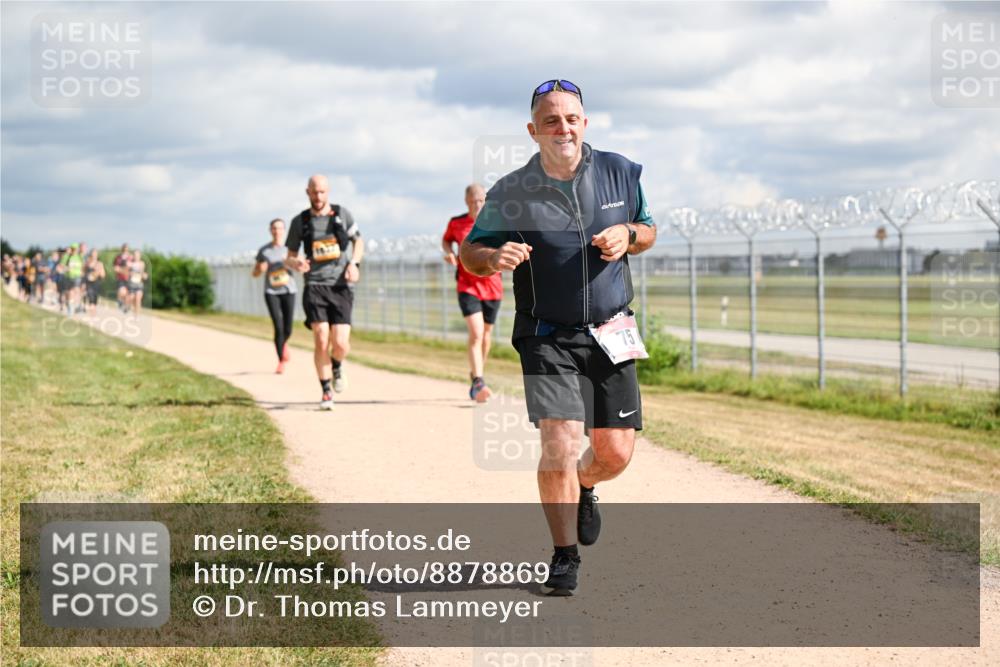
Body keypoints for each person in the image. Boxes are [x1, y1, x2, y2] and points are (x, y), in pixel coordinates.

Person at [460, 79, 657, 596]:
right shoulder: (511, 191)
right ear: (533, 130)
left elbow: (649, 228)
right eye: (551, 120)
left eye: (571, 118)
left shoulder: (620, 171)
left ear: (584, 123)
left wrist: (630, 236)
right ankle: (564, 554)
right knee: (559, 443)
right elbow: (471, 253)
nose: (562, 127)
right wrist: (492, 257)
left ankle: (586, 485)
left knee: (614, 453)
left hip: (612, 330)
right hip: (545, 333)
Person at [284, 174, 364, 410]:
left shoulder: (341, 215)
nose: (318, 197)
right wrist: (296, 263)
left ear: (328, 192)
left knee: (340, 343)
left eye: (322, 192)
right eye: (314, 192)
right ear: (307, 192)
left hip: (340, 285)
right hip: (315, 286)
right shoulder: (300, 221)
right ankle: (326, 390)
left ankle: (337, 363)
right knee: (321, 338)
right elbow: (288, 256)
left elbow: (358, 241)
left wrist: (354, 264)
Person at [442, 183, 503, 402]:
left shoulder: (497, 223)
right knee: (476, 333)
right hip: (467, 286)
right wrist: (449, 253)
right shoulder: (457, 223)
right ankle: (478, 381)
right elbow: (446, 240)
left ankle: (477, 373)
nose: (477, 204)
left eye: (480, 200)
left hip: (493, 287)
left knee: (486, 336)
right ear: (466, 201)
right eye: (473, 200)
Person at [253, 218, 298, 374]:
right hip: (271, 292)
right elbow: (255, 273)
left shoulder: (290, 249)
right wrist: (261, 268)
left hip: (289, 290)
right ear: (270, 230)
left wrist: (292, 264)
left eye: (279, 228)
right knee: (278, 326)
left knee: (288, 328)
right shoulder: (264, 251)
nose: (277, 231)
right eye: (274, 228)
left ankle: (284, 343)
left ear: (284, 230)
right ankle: (281, 360)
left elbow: (300, 267)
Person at [83, 249, 106, 315]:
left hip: (96, 282)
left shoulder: (99, 263)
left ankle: (93, 312)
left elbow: (103, 275)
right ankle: (90, 311)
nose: (94, 255)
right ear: (91, 254)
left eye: (95, 254)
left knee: (95, 296)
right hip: (88, 282)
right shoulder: (87, 262)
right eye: (93, 254)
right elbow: (83, 271)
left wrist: (98, 273)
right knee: (90, 295)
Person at [127, 249, 147, 315]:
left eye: (138, 255)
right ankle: (133, 311)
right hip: (131, 284)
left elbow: (142, 272)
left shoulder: (142, 263)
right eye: (135, 255)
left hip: (139, 284)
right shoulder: (129, 263)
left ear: (140, 256)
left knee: (138, 299)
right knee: (132, 298)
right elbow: (127, 272)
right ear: (133, 256)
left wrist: (143, 275)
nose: (136, 256)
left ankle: (137, 315)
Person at [113, 244, 132, 312]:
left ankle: (126, 305)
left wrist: (122, 270)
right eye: (124, 250)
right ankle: (120, 302)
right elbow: (115, 268)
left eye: (126, 250)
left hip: (129, 279)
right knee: (121, 292)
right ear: (122, 250)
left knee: (128, 294)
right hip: (120, 278)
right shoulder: (118, 258)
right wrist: (124, 270)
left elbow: (131, 269)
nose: (125, 251)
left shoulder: (131, 258)